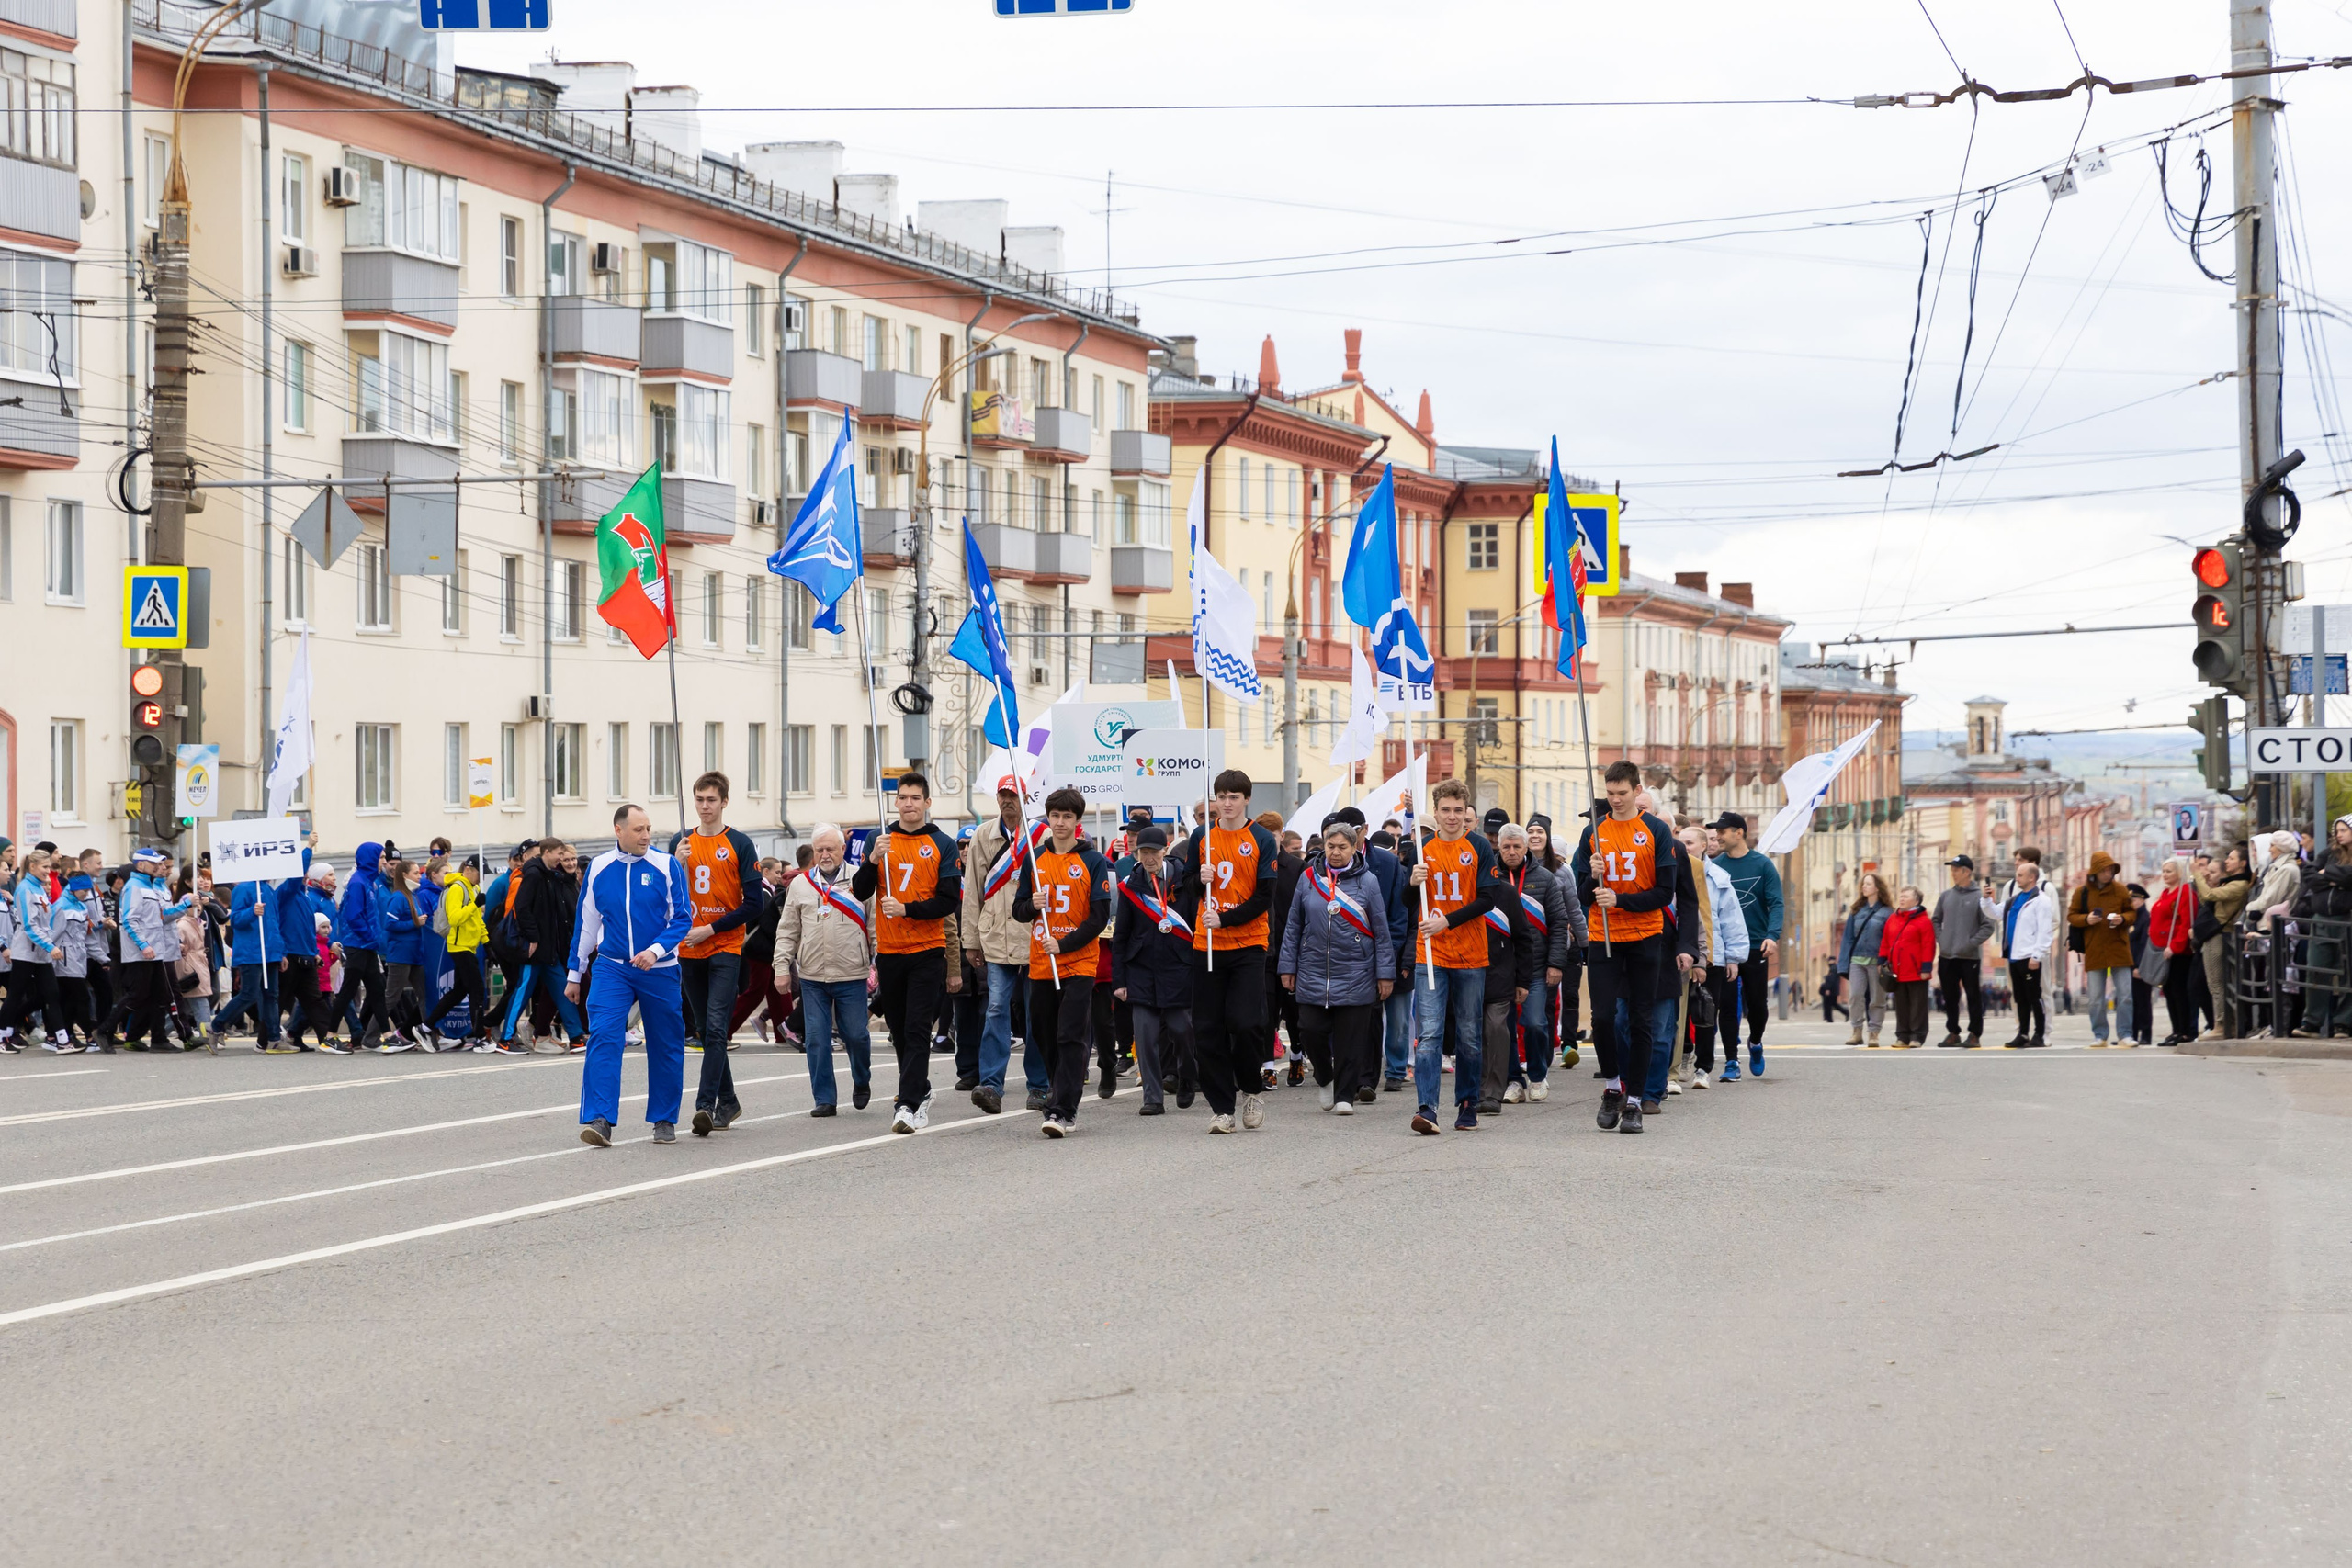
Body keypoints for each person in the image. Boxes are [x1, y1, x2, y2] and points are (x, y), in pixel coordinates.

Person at [567, 805, 695, 1147]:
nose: (646, 836)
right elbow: (588, 923)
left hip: (660, 968)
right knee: (604, 1035)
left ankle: (664, 1119)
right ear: (618, 830)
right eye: (639, 829)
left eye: (649, 829)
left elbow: (682, 919)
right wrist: (574, 974)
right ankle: (600, 1118)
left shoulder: (666, 865)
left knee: (666, 1043)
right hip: (612, 966)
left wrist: (655, 951)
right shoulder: (599, 868)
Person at [851, 772, 963, 1134]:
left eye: (916, 797)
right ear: (895, 802)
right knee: (899, 1030)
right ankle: (920, 1088)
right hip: (891, 950)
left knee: (917, 1028)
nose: (909, 803)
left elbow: (947, 900)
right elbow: (859, 890)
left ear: (927, 803)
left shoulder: (942, 843)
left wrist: (908, 908)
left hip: (928, 949)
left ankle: (907, 1104)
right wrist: (871, 860)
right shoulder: (879, 838)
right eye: (903, 797)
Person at [1176, 770, 1280, 1135]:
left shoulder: (1262, 838)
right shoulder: (1202, 836)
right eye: (1221, 796)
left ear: (1246, 799)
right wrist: (1196, 880)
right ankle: (1222, 1107)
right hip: (1207, 946)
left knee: (1246, 1021)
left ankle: (1252, 1087)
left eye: (1234, 796)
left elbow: (1265, 896)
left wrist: (1226, 919)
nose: (1227, 802)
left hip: (1249, 942)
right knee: (1206, 1029)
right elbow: (1185, 885)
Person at [665, 772, 767, 1136]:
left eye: (711, 800)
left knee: (715, 1026)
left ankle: (704, 1105)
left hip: (723, 945)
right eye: (699, 799)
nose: (705, 806)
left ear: (724, 802)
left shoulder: (739, 843)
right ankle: (730, 1100)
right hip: (689, 949)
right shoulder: (681, 841)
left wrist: (712, 928)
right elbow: (666, 898)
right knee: (707, 1031)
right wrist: (674, 864)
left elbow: (754, 904)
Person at [1010, 787, 1114, 1137]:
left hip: (1079, 962)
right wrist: (1032, 904)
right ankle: (1059, 1087)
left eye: (1067, 817)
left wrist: (1065, 944)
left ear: (1077, 821)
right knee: (1042, 1032)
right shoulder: (1035, 859)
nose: (1060, 823)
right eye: (1054, 816)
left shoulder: (1093, 860)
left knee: (1071, 1034)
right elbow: (1019, 909)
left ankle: (1063, 1109)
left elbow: (1099, 917)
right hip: (1041, 961)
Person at [1408, 778, 1504, 1134]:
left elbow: (1487, 900)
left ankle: (1467, 1102)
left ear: (1467, 815)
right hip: (1430, 955)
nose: (1452, 817)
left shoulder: (1478, 846)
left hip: (1470, 954)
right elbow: (1405, 904)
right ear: (1435, 812)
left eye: (1458, 811)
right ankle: (1427, 1108)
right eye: (1445, 810)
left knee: (1468, 1034)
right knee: (1430, 1034)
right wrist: (1412, 882)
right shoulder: (1421, 848)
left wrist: (1446, 921)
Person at [1280, 818, 1396, 1113]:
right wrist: (1287, 967)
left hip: (1356, 971)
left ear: (1354, 847)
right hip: (1313, 970)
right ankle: (1325, 1077)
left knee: (1350, 1041)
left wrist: (1385, 974)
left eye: (1342, 847)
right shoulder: (1308, 878)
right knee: (1309, 1030)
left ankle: (1344, 1096)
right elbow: (1294, 925)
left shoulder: (1368, 882)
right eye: (1330, 845)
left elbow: (1381, 931)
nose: (1335, 852)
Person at [962, 781, 1051, 1115]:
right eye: (1003, 795)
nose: (1008, 801)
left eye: (1013, 796)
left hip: (1034, 938)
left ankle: (1040, 1086)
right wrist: (970, 941)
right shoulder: (983, 836)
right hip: (996, 937)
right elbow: (972, 890)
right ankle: (991, 1085)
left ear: (1025, 798)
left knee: (1036, 1014)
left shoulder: (1041, 836)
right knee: (996, 1009)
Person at [777, 825, 876, 1117]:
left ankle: (861, 1080)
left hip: (852, 974)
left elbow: (875, 925)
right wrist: (782, 967)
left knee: (856, 1035)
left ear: (843, 849)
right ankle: (824, 1098)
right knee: (817, 1038)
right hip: (813, 976)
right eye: (819, 849)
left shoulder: (861, 880)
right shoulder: (801, 885)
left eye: (831, 848)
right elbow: (787, 930)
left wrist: (877, 962)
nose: (825, 854)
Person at [1112, 825, 1195, 1114]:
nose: (1149, 858)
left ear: (1165, 851)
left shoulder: (1184, 880)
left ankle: (1187, 1076)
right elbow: (1120, 937)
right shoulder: (1130, 885)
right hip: (1141, 970)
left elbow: (1195, 926)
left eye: (1154, 852)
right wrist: (1119, 980)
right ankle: (1152, 1097)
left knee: (1182, 1030)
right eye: (1143, 852)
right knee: (1145, 1037)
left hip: (1178, 968)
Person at [1499, 818, 1576, 1100]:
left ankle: (1538, 1075)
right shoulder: (1491, 876)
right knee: (1503, 1026)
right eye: (1506, 846)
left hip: (1536, 965)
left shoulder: (1544, 878)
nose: (1511, 851)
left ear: (1525, 848)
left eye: (1516, 846)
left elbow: (1559, 922)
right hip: (1500, 966)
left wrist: (1557, 963)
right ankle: (1512, 1080)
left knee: (1534, 1022)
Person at [97, 848, 197, 1052]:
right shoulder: (134, 887)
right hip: (141, 952)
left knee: (158, 994)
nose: (157, 867)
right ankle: (105, 1030)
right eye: (153, 864)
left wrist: (183, 905)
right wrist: (143, 945)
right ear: (140, 865)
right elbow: (129, 920)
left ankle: (156, 1038)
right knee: (137, 995)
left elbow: (159, 917)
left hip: (154, 950)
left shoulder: (147, 886)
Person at [1707, 811, 1782, 1075]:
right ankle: (1731, 1061)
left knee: (1757, 1006)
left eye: (1722, 831)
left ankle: (1756, 1041)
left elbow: (1776, 903)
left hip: (1755, 945)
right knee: (1727, 1005)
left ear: (1739, 832)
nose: (1717, 836)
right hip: (1727, 947)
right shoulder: (1716, 867)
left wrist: (1772, 935)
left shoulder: (1762, 865)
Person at [1475, 824, 1542, 1115]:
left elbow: (1524, 939)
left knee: (1496, 1030)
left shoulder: (1506, 893)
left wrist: (1523, 981)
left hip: (1501, 977)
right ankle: (1473, 1089)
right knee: (1473, 1034)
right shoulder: (1462, 893)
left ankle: (1492, 1092)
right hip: (1466, 973)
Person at [1676, 821, 1747, 1087]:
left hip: (1712, 956)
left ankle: (1703, 1068)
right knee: (1678, 1012)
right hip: (1680, 954)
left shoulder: (1718, 877)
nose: (1684, 848)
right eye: (1681, 843)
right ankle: (1683, 1054)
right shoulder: (1671, 870)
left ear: (1705, 846)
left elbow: (1730, 918)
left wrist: (1734, 958)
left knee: (1705, 1010)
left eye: (1689, 843)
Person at [501, 840, 586, 1051]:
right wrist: (533, 938)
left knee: (563, 990)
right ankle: (505, 1039)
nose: (561, 858)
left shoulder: (548, 874)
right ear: (547, 853)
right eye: (559, 854)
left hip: (549, 949)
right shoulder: (534, 875)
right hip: (536, 948)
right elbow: (522, 908)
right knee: (522, 991)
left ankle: (576, 1036)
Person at [1526, 814, 1586, 1071]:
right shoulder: (1515, 869)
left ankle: (1550, 1052)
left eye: (1540, 831)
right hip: (1527, 948)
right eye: (1531, 831)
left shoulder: (1562, 872)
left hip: (1558, 946)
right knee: (1535, 1008)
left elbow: (1574, 911)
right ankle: (1536, 1053)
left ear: (1548, 838)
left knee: (1552, 1001)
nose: (1535, 835)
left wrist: (1587, 945)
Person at [325, 840, 391, 1053]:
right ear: (371, 859)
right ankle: (330, 1036)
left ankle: (388, 1035)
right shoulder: (358, 883)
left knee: (377, 990)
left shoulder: (367, 881)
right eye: (381, 857)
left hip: (366, 944)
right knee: (348, 991)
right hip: (358, 944)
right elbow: (354, 916)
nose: (384, 861)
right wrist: (370, 937)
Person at [424, 855, 495, 1050]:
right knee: (478, 991)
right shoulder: (457, 888)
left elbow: (477, 920)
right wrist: (474, 904)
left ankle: (426, 1026)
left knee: (458, 992)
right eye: (481, 873)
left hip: (470, 946)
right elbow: (454, 918)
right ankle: (480, 1037)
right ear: (470, 870)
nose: (482, 878)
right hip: (458, 946)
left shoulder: (474, 888)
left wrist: (486, 942)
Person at [2068, 851, 2136, 1046]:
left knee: (2125, 995)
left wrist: (2122, 919)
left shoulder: (2121, 890)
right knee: (2095, 999)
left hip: (2119, 949)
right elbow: (2072, 916)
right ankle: (2100, 1035)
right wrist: (2086, 919)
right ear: (2095, 871)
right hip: (2095, 949)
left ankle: (2125, 1034)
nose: (2108, 874)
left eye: (2111, 870)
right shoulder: (2082, 893)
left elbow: (2132, 913)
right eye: (2104, 870)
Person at [1929, 855, 1997, 1048]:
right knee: (1950, 997)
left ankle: (1975, 1034)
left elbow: (1987, 927)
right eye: (1952, 869)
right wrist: (1941, 939)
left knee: (1973, 996)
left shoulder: (1980, 897)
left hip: (1969, 957)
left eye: (1956, 869)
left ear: (1967, 872)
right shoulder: (1946, 896)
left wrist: (1969, 944)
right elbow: (1935, 920)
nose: (1952, 873)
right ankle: (1953, 1032)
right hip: (1946, 956)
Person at [213, 870, 283, 1053]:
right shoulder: (243, 888)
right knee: (249, 994)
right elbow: (235, 919)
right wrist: (252, 912)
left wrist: (280, 952)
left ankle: (274, 1039)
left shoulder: (267, 888)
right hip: (251, 951)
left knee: (271, 995)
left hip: (269, 951)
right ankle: (216, 1026)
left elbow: (274, 923)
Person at [0, 848, 62, 1050]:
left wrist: (48, 944)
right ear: (32, 867)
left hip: (41, 952)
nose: (47, 871)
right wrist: (50, 946)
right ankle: (3, 1036)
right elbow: (29, 925)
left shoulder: (39, 889)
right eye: (44, 867)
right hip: (26, 951)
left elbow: (45, 922)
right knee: (16, 994)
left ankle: (59, 1039)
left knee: (51, 993)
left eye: (49, 867)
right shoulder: (25, 889)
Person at [2191, 844, 2253, 1039]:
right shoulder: (2230, 882)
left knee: (2217, 982)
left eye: (2232, 858)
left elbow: (2210, 896)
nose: (2227, 861)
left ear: (2243, 863)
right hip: (2215, 935)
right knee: (2215, 982)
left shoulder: (2238, 885)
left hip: (2220, 935)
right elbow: (2208, 900)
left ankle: (2222, 1024)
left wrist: (2198, 876)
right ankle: (2225, 1023)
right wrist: (2207, 881)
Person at [1997, 858, 2057, 1048]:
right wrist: (1985, 900)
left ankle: (2039, 1034)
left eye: (2020, 874)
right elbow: (1996, 912)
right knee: (2020, 998)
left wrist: (2037, 955)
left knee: (2035, 997)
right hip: (2014, 956)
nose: (2017, 877)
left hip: (2029, 956)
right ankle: (2022, 1033)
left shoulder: (2042, 900)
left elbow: (2045, 931)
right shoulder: (2014, 899)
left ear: (2032, 878)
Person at [2149, 858, 2203, 1045]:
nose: (2165, 874)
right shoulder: (2165, 893)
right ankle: (2176, 1029)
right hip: (2163, 950)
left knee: (2179, 990)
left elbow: (2186, 922)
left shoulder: (2185, 893)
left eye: (2169, 871)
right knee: (2170, 991)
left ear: (2179, 872)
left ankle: (2186, 1031)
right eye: (2163, 871)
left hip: (2178, 952)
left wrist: (2176, 946)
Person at [1837, 873, 1894, 1047]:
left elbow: (1890, 939)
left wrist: (1886, 962)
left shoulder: (1887, 912)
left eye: (1868, 884)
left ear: (1877, 888)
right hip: (1856, 961)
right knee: (1855, 996)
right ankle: (1856, 1032)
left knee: (1877, 998)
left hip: (1877, 962)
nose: (1864, 887)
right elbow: (1847, 939)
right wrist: (1843, 964)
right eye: (1863, 884)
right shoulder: (1856, 911)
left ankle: (1874, 1033)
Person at [1880, 886, 1937, 1047]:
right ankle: (1902, 1036)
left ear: (1916, 901)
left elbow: (1928, 945)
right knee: (1902, 1004)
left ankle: (1917, 1036)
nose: (1902, 899)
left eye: (1906, 896)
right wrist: (1882, 961)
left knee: (1918, 1005)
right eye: (1901, 895)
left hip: (1916, 970)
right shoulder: (1893, 919)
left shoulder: (1924, 921)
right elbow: (1885, 941)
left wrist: (1926, 968)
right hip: (1897, 970)